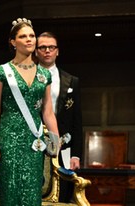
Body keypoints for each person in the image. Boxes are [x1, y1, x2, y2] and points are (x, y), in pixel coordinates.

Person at [0, 18, 60, 205]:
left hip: (34, 141)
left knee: (32, 190)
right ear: (13, 42)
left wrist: (55, 139)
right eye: (23, 36)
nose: (29, 40)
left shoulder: (44, 74)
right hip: (8, 138)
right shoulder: (1, 71)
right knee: (10, 190)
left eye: (32, 36)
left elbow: (48, 111)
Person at [36, 31, 83, 202]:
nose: (47, 50)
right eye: (42, 47)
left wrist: (76, 155)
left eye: (51, 47)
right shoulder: (27, 78)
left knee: (63, 194)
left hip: (64, 144)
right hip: (35, 142)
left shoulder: (71, 81)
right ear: (36, 51)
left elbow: (77, 121)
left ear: (57, 51)